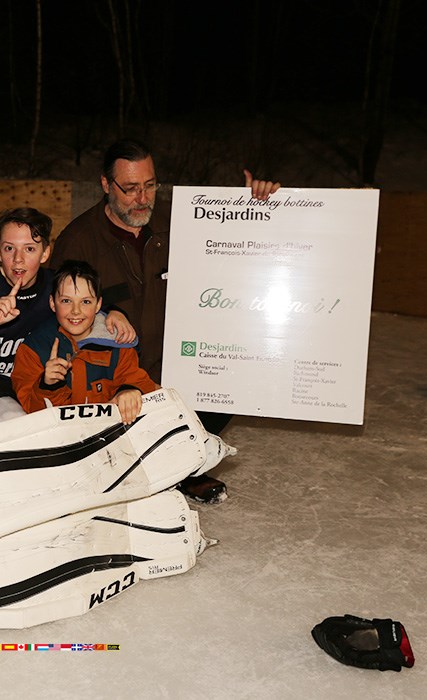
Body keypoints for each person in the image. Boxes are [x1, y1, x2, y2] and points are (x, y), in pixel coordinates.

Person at [50, 139, 280, 502]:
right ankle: (163, 464)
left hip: (176, 365)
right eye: (130, 188)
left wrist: (252, 205)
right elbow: (61, 315)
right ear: (106, 185)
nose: (143, 198)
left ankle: (183, 464)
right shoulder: (79, 241)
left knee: (231, 382)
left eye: (150, 185)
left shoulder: (180, 221)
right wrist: (105, 315)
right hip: (115, 378)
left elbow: (238, 250)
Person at [0, 207, 135, 415]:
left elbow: (86, 305)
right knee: (14, 418)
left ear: (45, 253)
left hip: (40, 383)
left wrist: (114, 312)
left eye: (29, 249)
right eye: (9, 248)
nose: (18, 259)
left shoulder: (55, 284)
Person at [11, 260, 155, 423]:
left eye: (85, 302)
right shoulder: (33, 348)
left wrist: (129, 391)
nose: (76, 311)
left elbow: (139, 381)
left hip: (109, 433)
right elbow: (31, 412)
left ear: (98, 304)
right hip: (61, 436)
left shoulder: (118, 342)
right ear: (52, 303)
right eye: (66, 301)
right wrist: (48, 385)